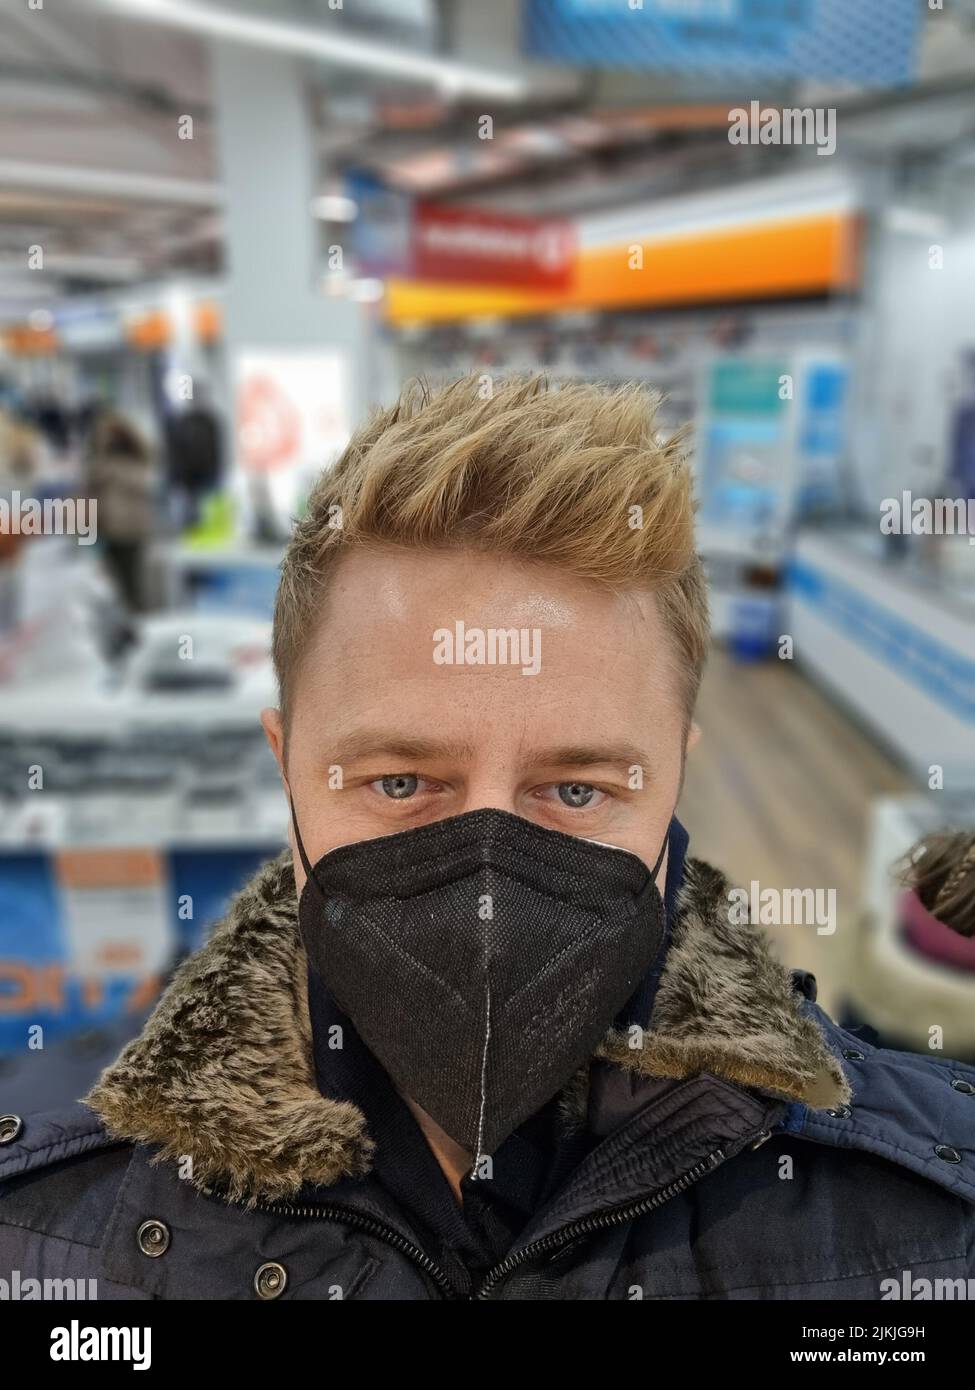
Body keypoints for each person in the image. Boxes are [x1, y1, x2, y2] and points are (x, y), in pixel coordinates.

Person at [1, 375, 973, 1300]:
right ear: (285, 760)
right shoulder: (40, 1217)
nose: (486, 897)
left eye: (577, 789)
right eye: (400, 781)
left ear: (676, 772)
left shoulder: (930, 1226)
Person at [85, 410, 156, 613]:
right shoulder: (103, 467)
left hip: (126, 531)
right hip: (112, 531)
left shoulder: (129, 465)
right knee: (118, 587)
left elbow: (143, 488)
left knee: (129, 586)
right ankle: (130, 624)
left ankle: (137, 627)